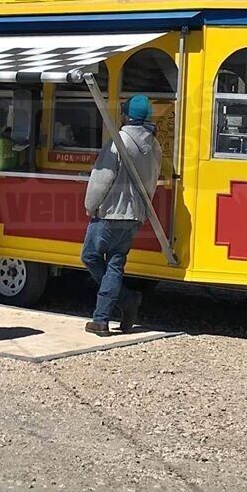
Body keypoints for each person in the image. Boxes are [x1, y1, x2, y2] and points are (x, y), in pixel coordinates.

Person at [82, 95, 162, 337]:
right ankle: (103, 318)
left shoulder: (118, 141)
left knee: (90, 256)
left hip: (110, 213)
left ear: (126, 116)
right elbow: (152, 181)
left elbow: (102, 177)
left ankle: (124, 302)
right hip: (134, 215)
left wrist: (90, 205)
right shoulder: (155, 146)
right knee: (115, 264)